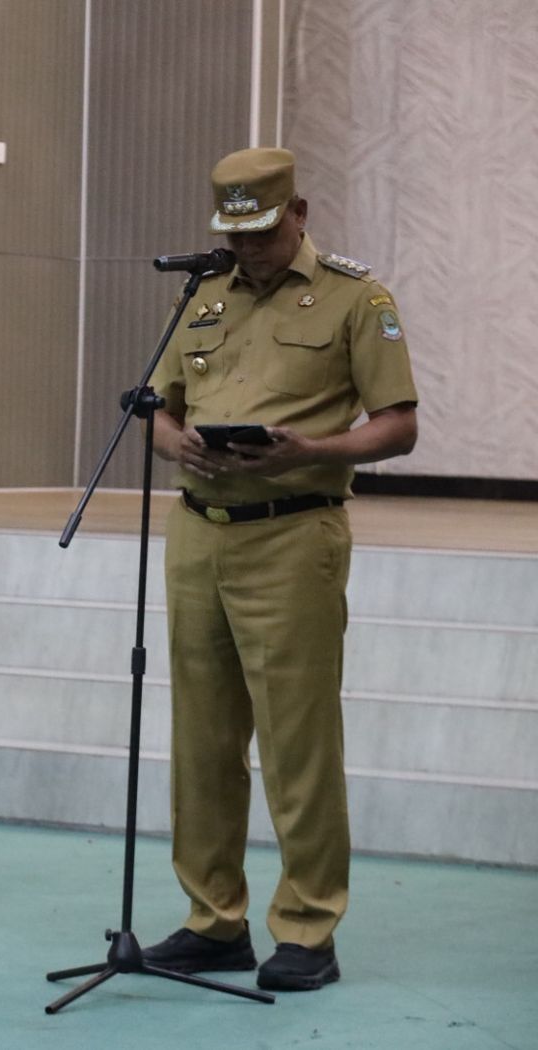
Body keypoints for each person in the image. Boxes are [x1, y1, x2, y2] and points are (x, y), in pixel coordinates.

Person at [143, 148, 419, 990]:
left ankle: (307, 927)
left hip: (293, 534)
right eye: (234, 232)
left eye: (261, 230)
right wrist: (177, 443)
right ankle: (213, 920)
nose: (248, 246)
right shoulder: (202, 297)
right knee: (202, 742)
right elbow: (158, 411)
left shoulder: (355, 299)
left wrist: (312, 450)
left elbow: (398, 425)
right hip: (198, 534)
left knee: (298, 743)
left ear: (298, 212)